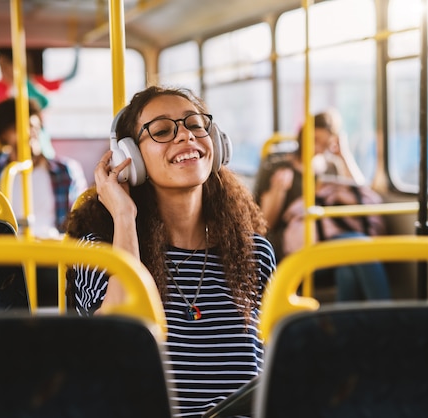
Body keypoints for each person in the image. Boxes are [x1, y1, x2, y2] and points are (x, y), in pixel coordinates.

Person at [64, 86, 275, 417]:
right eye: (162, 131)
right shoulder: (100, 253)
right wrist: (124, 216)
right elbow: (114, 348)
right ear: (128, 157)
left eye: (195, 125)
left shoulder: (254, 254)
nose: (187, 137)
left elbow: (271, 374)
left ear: (216, 144)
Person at [253, 110, 390, 301]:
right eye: (314, 139)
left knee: (347, 271)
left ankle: (343, 329)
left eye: (324, 144)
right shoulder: (278, 167)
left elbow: (362, 195)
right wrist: (278, 192)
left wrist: (344, 155)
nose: (317, 147)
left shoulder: (331, 166)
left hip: (331, 238)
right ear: (303, 135)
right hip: (296, 247)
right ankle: (388, 318)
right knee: (360, 245)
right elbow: (265, 224)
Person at [0, 98, 88, 306]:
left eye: (33, 126)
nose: (29, 133)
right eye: (18, 128)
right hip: (10, 257)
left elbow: (79, 222)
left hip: (53, 254)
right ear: (4, 136)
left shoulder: (65, 171)